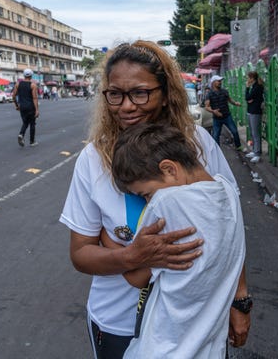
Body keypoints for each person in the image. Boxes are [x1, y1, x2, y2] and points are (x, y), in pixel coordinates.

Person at [59, 41, 251, 359]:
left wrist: (240, 300)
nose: (126, 106)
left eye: (140, 93)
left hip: (197, 324)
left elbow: (229, 227)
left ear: (165, 94)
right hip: (118, 324)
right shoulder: (93, 159)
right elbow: (81, 254)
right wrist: (132, 255)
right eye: (115, 94)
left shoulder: (198, 145)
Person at [102, 123, 246, 358]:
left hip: (163, 348)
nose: (148, 202)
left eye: (145, 194)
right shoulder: (228, 191)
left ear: (169, 169)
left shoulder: (166, 204)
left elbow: (137, 276)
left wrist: (105, 237)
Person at [204, 75, 243, 150]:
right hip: (217, 118)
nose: (220, 82)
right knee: (215, 135)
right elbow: (206, 106)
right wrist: (213, 111)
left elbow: (230, 100)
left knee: (234, 131)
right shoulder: (209, 94)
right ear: (213, 82)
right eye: (218, 81)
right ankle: (217, 150)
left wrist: (235, 103)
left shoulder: (224, 91)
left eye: (220, 81)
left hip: (227, 116)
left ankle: (238, 146)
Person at [12, 68, 39, 147]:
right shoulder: (33, 85)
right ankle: (32, 141)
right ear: (31, 76)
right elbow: (34, 98)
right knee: (32, 124)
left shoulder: (18, 84)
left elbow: (13, 96)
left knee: (25, 122)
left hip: (22, 107)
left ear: (24, 75)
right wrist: (37, 110)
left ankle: (21, 134)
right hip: (30, 107)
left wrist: (17, 105)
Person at [244, 71, 264, 163]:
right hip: (251, 111)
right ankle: (254, 150)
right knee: (252, 132)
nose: (247, 80)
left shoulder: (257, 87)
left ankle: (257, 153)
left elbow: (247, 98)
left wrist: (247, 88)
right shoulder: (254, 86)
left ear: (252, 78)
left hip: (255, 112)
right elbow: (249, 99)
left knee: (256, 133)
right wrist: (250, 98)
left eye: (248, 78)